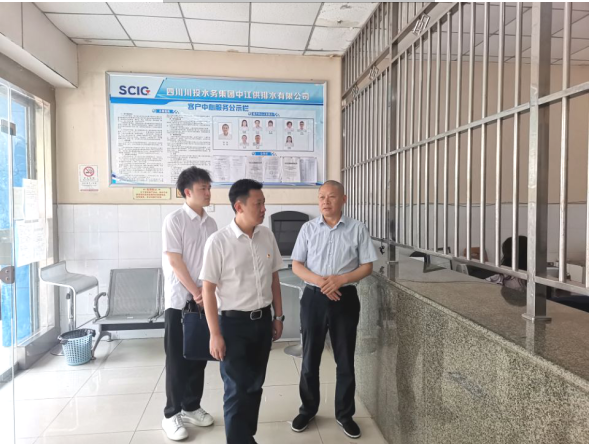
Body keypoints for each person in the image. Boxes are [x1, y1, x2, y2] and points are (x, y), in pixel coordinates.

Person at [290, 180, 377, 440]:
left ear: (343, 199)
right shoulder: (308, 229)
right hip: (313, 298)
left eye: (331, 197)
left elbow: (367, 266)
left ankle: (345, 415)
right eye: (321, 197)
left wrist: (341, 280)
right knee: (310, 358)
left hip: (345, 298)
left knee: (345, 359)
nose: (325, 202)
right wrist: (322, 282)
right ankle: (307, 410)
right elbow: (297, 264)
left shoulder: (357, 228)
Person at [200, 179, 285, 444]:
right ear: (239, 206)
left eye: (264, 203)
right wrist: (215, 334)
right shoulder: (218, 242)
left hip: (262, 323)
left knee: (255, 385)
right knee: (236, 389)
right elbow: (208, 290)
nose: (263, 209)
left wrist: (278, 317)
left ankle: (246, 436)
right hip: (232, 325)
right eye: (258, 204)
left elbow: (274, 279)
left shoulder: (266, 236)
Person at [161, 167, 217, 441]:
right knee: (177, 360)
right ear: (187, 192)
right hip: (179, 302)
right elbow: (175, 261)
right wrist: (196, 291)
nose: (208, 192)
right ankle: (171, 415)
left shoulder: (211, 223)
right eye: (202, 188)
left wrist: (207, 293)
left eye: (209, 187)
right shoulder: (175, 220)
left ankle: (192, 407)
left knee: (198, 356)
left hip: (203, 301)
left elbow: (213, 262)